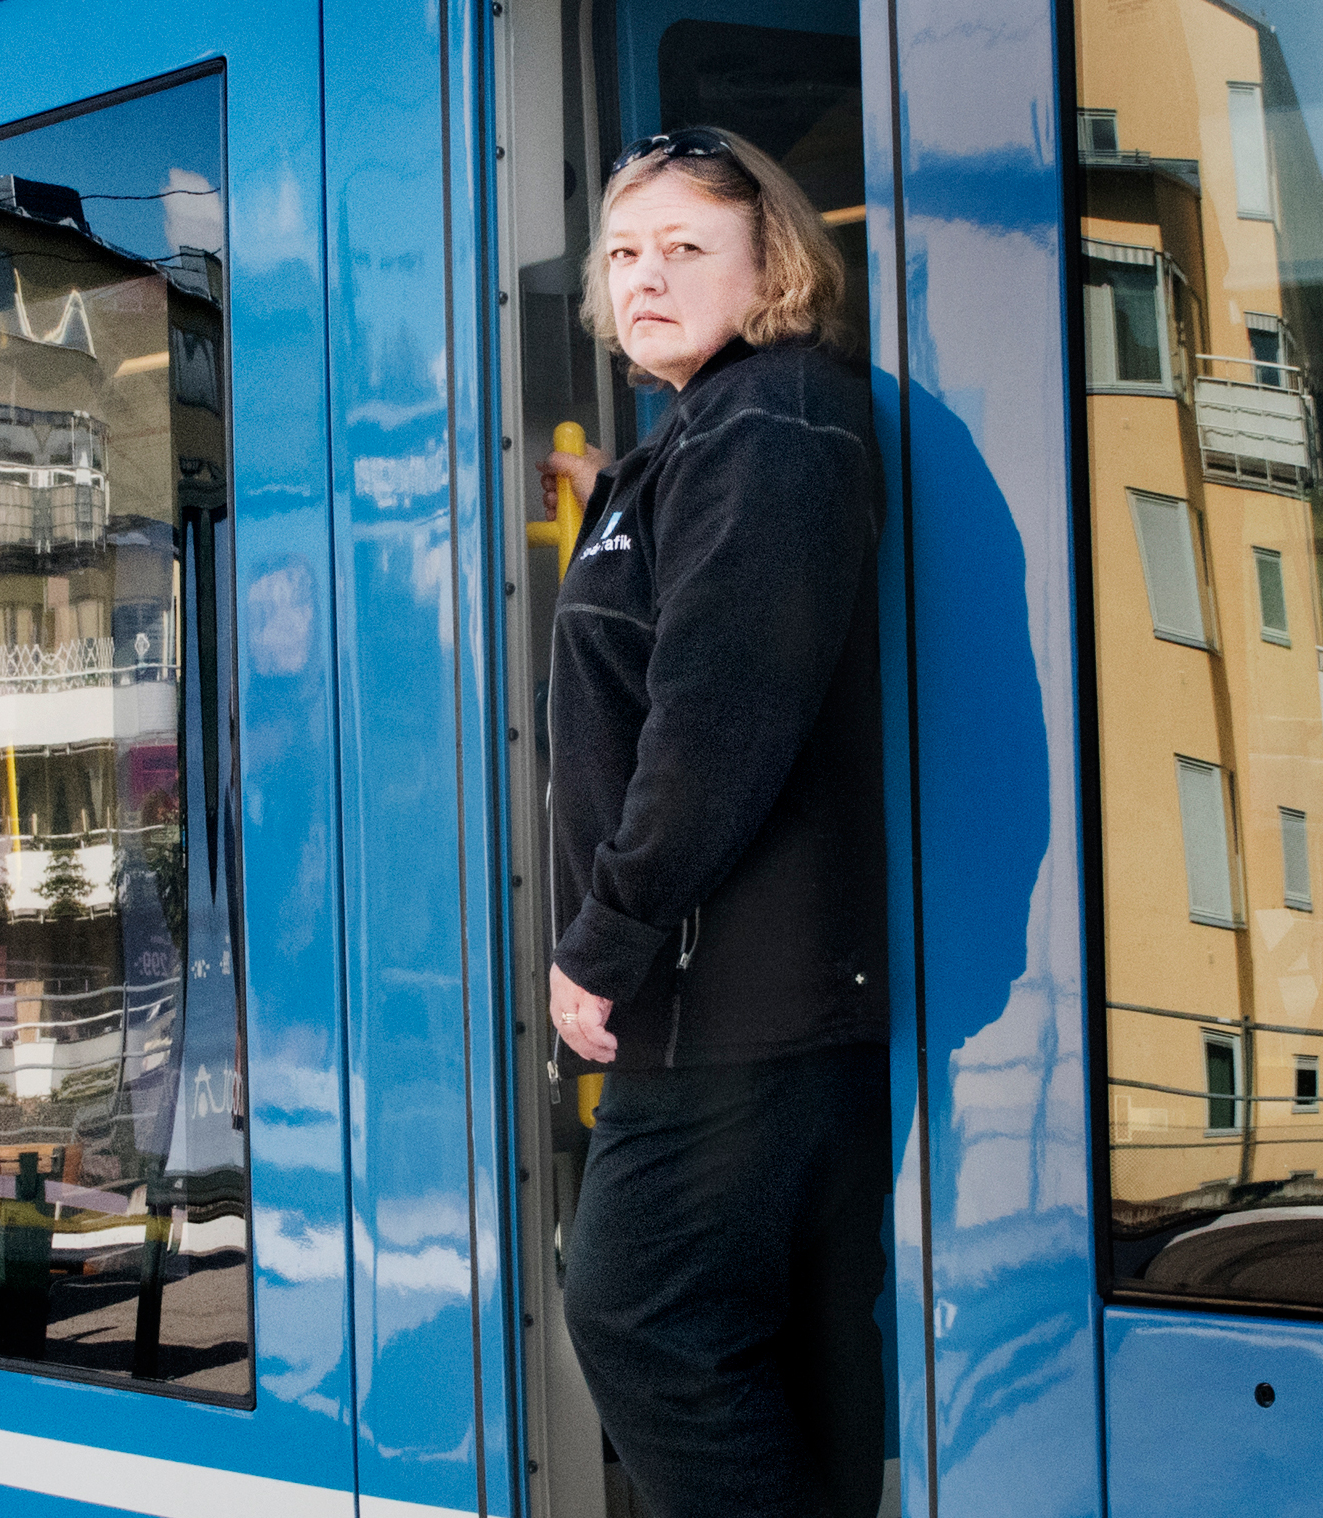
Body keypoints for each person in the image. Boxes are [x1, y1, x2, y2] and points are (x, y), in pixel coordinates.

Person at [538, 125, 889, 1518]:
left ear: (774, 265)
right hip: (740, 999)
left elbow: (718, 718)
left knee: (632, 1313)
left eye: (687, 247)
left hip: (728, 1002)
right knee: (783, 1348)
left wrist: (602, 939)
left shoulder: (768, 423)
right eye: (623, 253)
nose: (644, 276)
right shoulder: (711, 435)